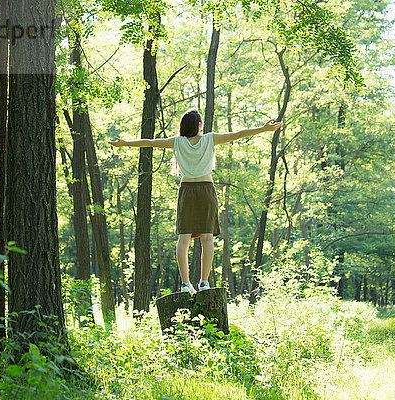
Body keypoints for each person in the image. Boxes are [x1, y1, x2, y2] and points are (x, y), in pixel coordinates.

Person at [109, 109, 282, 295]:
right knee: (207, 238)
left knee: (183, 239)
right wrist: (263, 129)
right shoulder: (209, 139)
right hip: (206, 190)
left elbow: (149, 142)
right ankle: (204, 282)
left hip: (187, 192)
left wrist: (125, 143)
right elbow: (238, 134)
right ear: (199, 125)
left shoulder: (177, 142)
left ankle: (185, 284)